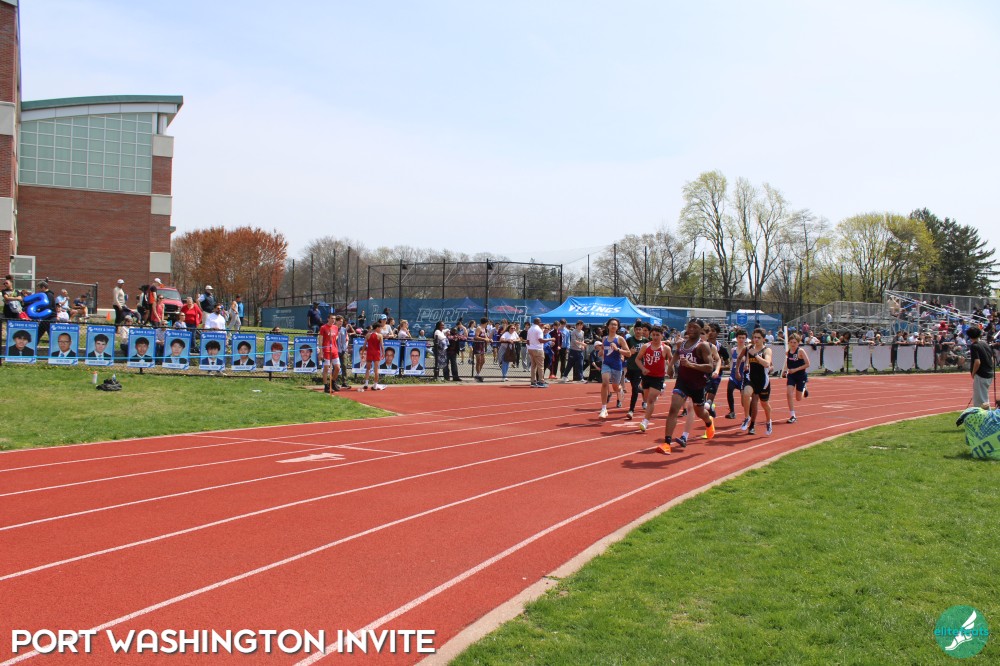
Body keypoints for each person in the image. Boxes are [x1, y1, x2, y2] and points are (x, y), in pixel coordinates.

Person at [657, 319, 716, 454]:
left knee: (700, 412)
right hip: (682, 382)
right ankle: (667, 443)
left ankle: (708, 421)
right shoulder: (682, 343)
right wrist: (670, 366)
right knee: (673, 409)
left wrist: (691, 365)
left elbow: (709, 367)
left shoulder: (703, 346)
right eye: (689, 327)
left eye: (694, 327)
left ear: (701, 330)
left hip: (697, 385)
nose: (691, 329)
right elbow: (677, 353)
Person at [636, 325, 672, 433]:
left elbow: (671, 360)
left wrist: (671, 370)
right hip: (647, 375)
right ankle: (661, 389)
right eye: (653, 335)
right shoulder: (646, 346)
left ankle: (645, 421)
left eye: (657, 335)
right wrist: (643, 368)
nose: (655, 337)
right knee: (647, 398)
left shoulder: (665, 348)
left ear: (662, 335)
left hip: (658, 377)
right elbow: (637, 359)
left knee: (651, 400)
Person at [739, 328, 774, 436]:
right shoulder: (749, 349)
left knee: (764, 404)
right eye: (754, 337)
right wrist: (746, 364)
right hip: (752, 379)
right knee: (746, 393)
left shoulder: (767, 350)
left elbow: (767, 364)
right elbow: (747, 361)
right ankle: (747, 417)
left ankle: (768, 421)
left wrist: (756, 355)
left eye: (758, 338)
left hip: (763, 382)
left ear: (763, 339)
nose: (756, 339)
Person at [599, 319, 631, 417]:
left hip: (617, 365)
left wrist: (618, 349)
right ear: (608, 326)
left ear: (617, 327)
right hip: (606, 364)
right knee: (605, 383)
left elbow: (629, 353)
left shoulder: (620, 339)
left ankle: (620, 390)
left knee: (615, 387)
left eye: (615, 325)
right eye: (612, 324)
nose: (613, 326)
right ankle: (604, 409)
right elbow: (602, 350)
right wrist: (601, 351)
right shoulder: (604, 338)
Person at [782, 332, 811, 423]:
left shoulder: (800, 351)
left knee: (798, 398)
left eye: (795, 342)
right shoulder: (788, 352)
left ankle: (804, 388)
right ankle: (793, 415)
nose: (793, 344)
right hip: (791, 376)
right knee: (788, 393)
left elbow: (808, 364)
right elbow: (787, 363)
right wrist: (785, 370)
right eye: (791, 342)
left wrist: (796, 369)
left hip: (801, 376)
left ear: (798, 343)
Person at [624, 321, 649, 419]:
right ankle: (643, 391)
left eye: (640, 329)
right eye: (636, 329)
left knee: (634, 389)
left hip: (640, 368)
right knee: (635, 387)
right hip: (631, 368)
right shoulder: (629, 340)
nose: (638, 331)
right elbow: (625, 353)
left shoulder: (646, 341)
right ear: (634, 330)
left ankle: (631, 410)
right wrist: (630, 352)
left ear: (642, 331)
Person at [725, 328, 751, 420]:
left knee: (744, 402)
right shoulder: (733, 350)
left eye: (743, 338)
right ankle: (732, 412)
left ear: (746, 339)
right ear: (736, 338)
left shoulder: (748, 350)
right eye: (739, 337)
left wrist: (746, 364)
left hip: (743, 376)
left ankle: (750, 412)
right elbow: (733, 361)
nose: (741, 340)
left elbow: (749, 363)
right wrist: (730, 368)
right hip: (734, 375)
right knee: (729, 390)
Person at [967, 326, 995, 408]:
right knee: (984, 397)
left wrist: (973, 373)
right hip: (989, 373)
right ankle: (987, 413)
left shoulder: (974, 346)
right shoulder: (985, 343)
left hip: (981, 374)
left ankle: (985, 415)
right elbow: (992, 359)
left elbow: (977, 362)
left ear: (970, 336)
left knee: (980, 401)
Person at [319, 313, 341, 392]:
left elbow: (336, 337)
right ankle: (326, 386)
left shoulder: (335, 327)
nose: (333, 320)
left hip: (334, 350)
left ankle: (333, 382)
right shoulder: (323, 327)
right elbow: (320, 339)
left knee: (337, 367)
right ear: (328, 319)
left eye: (334, 319)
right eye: (332, 318)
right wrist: (321, 351)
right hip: (326, 350)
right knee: (326, 368)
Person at [361, 321, 385, 390]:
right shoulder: (380, 336)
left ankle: (366, 383)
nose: (380, 329)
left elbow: (364, 345)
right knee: (376, 369)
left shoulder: (368, 335)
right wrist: (383, 353)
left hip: (370, 352)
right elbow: (382, 346)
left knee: (368, 368)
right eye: (380, 328)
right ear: (377, 328)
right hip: (376, 353)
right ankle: (375, 385)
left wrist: (362, 353)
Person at [472, 317, 489, 382]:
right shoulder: (479, 328)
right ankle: (478, 374)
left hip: (482, 346)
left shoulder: (484, 329)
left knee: (483, 361)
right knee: (478, 361)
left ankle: (478, 374)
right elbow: (476, 336)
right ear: (486, 322)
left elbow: (486, 337)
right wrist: (484, 339)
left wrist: (489, 339)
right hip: (477, 346)